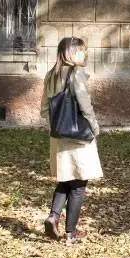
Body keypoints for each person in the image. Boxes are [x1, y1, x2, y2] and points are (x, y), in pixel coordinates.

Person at [41, 37, 102, 244]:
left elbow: (44, 109)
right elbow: (85, 106)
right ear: (72, 52)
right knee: (78, 184)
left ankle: (53, 216)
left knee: (65, 179)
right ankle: (70, 233)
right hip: (78, 136)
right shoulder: (76, 74)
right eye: (83, 51)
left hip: (58, 136)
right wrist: (94, 127)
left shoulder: (51, 75)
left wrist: (56, 128)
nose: (86, 54)